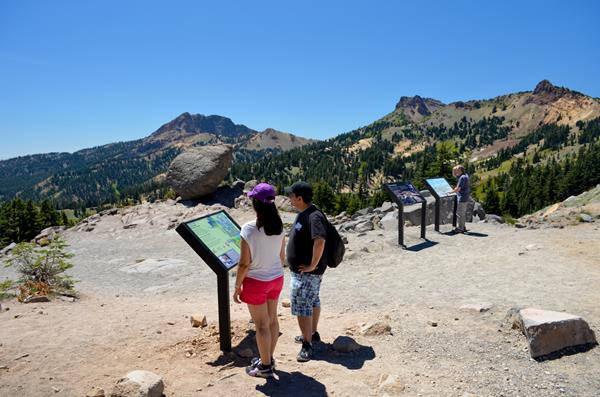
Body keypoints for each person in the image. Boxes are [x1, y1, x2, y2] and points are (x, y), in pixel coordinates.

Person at [233, 183, 285, 378]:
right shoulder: (279, 226)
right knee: (272, 320)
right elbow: (281, 257)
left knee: (261, 325)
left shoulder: (248, 229)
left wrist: (237, 286)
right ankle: (268, 358)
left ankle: (264, 367)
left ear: (255, 203)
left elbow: (244, 264)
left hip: (256, 282)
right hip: (276, 278)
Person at [285, 181, 328, 362]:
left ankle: (307, 344)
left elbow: (320, 240)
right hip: (305, 272)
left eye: (291, 195)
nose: (289, 198)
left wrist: (312, 265)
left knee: (303, 307)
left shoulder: (313, 216)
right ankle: (312, 333)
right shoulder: (305, 213)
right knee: (312, 301)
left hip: (307, 273)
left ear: (299, 198)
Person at [451, 165, 471, 233]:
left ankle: (460, 228)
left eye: (457, 170)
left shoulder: (462, 178)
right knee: (462, 213)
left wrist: (450, 192)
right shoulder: (464, 175)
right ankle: (463, 227)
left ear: (460, 170)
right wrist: (453, 169)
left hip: (462, 197)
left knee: (460, 213)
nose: (456, 172)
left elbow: (458, 189)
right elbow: (454, 176)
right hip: (465, 197)